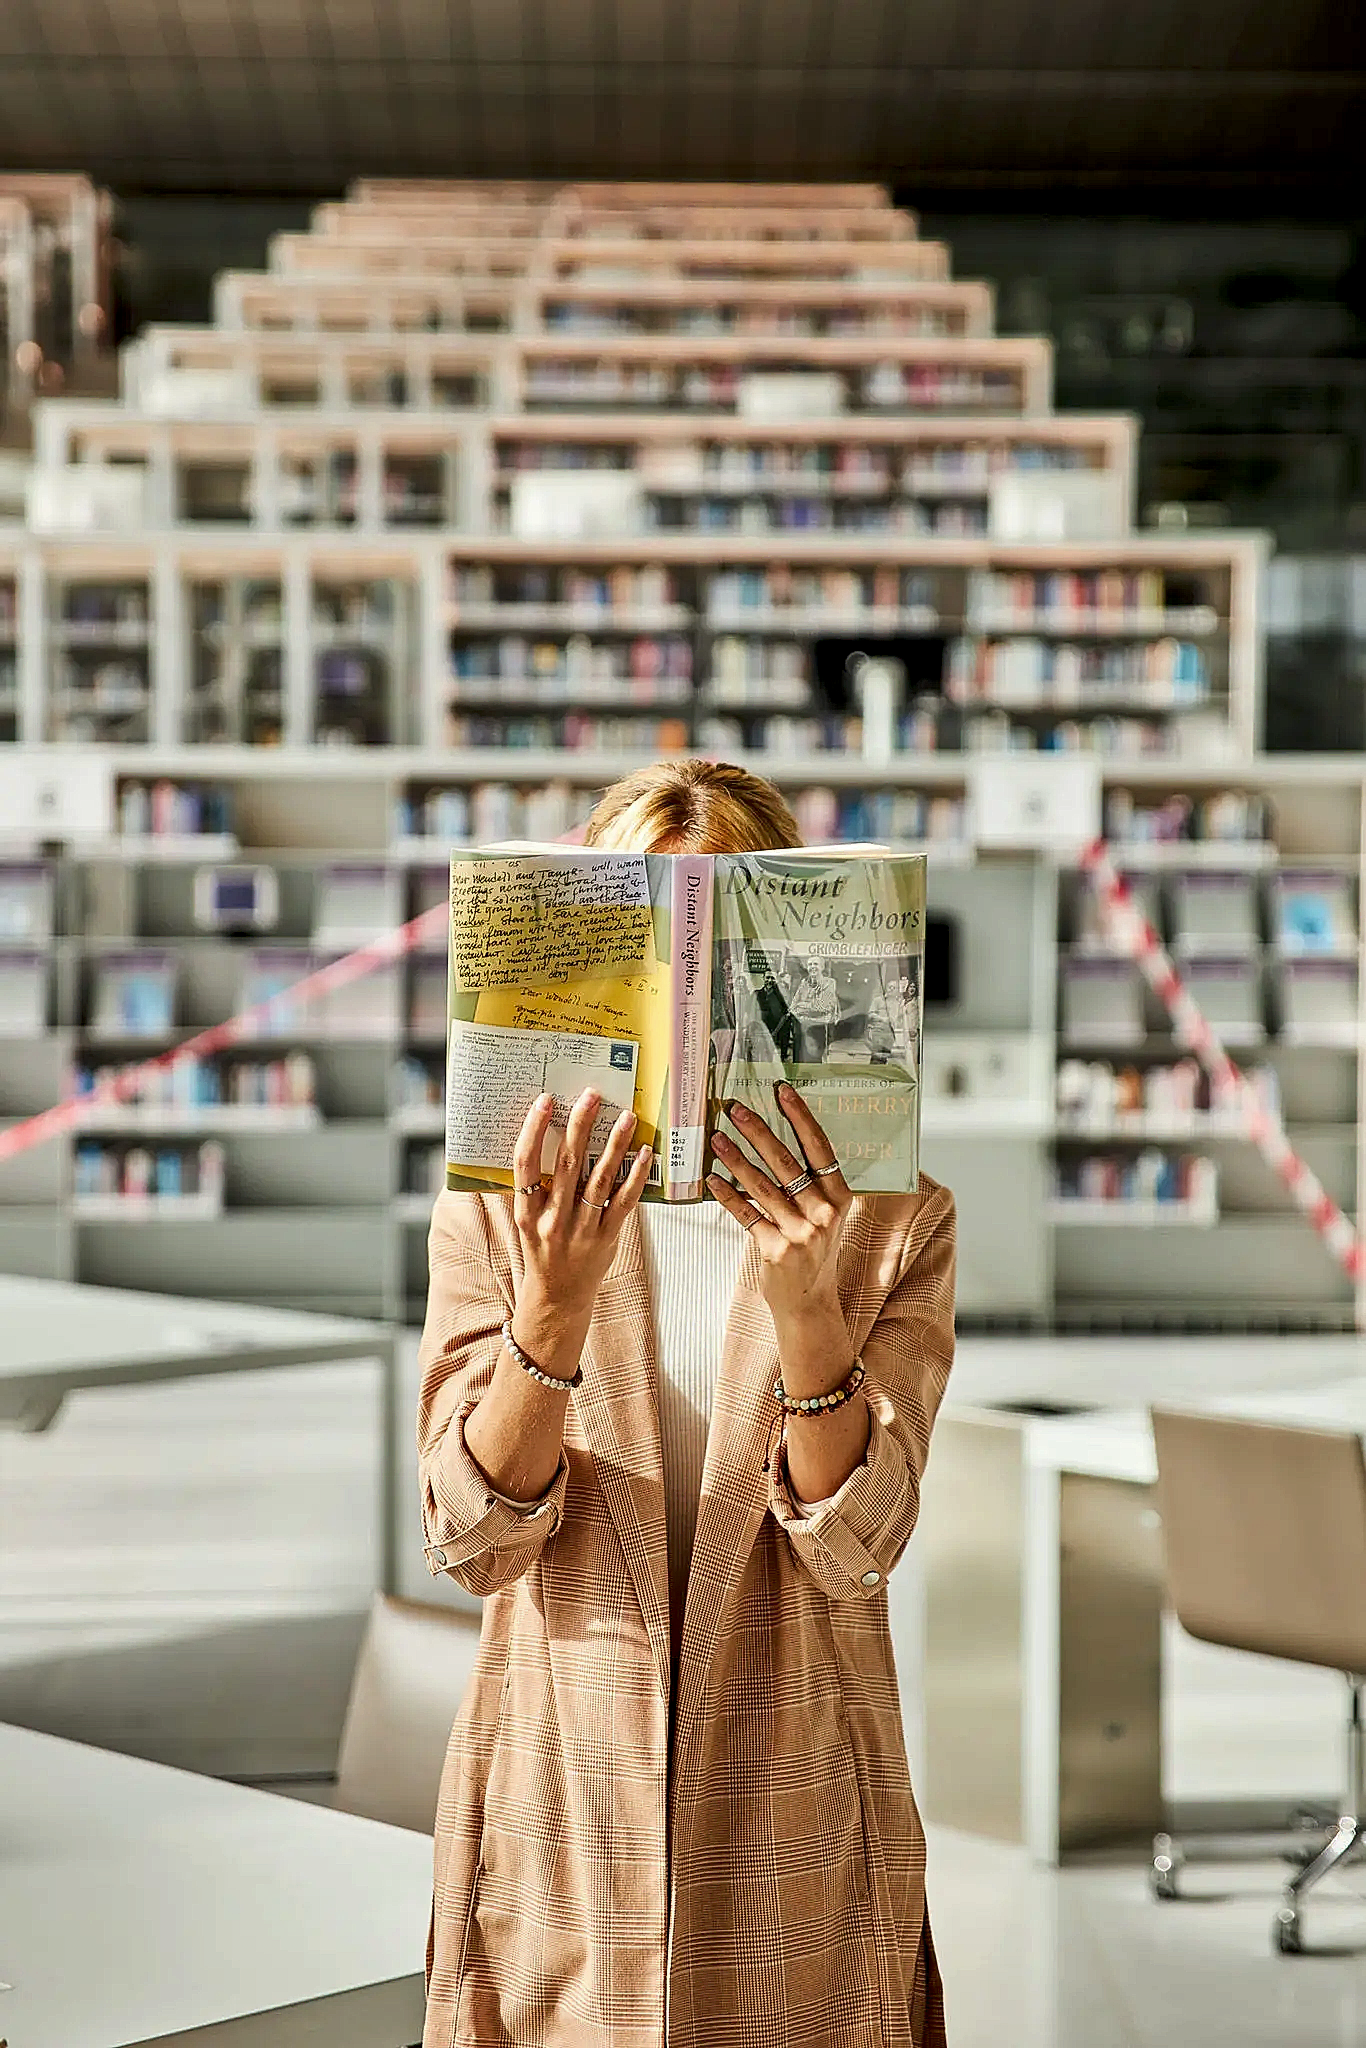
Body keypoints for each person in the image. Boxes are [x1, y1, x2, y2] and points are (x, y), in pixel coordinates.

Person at [417, 757, 957, 2048]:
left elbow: (858, 1550)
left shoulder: (895, 1220)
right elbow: (471, 1540)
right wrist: (548, 1310)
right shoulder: (500, 1204)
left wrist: (806, 1301)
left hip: (796, 1813)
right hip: (559, 1792)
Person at [788, 950, 842, 1061]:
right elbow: (793, 1007)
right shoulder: (804, 983)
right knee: (798, 1060)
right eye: (810, 964)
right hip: (802, 1028)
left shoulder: (829, 983)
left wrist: (802, 1006)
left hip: (818, 1028)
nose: (812, 967)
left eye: (816, 964)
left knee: (813, 1060)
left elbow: (823, 1007)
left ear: (822, 967)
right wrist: (808, 1007)